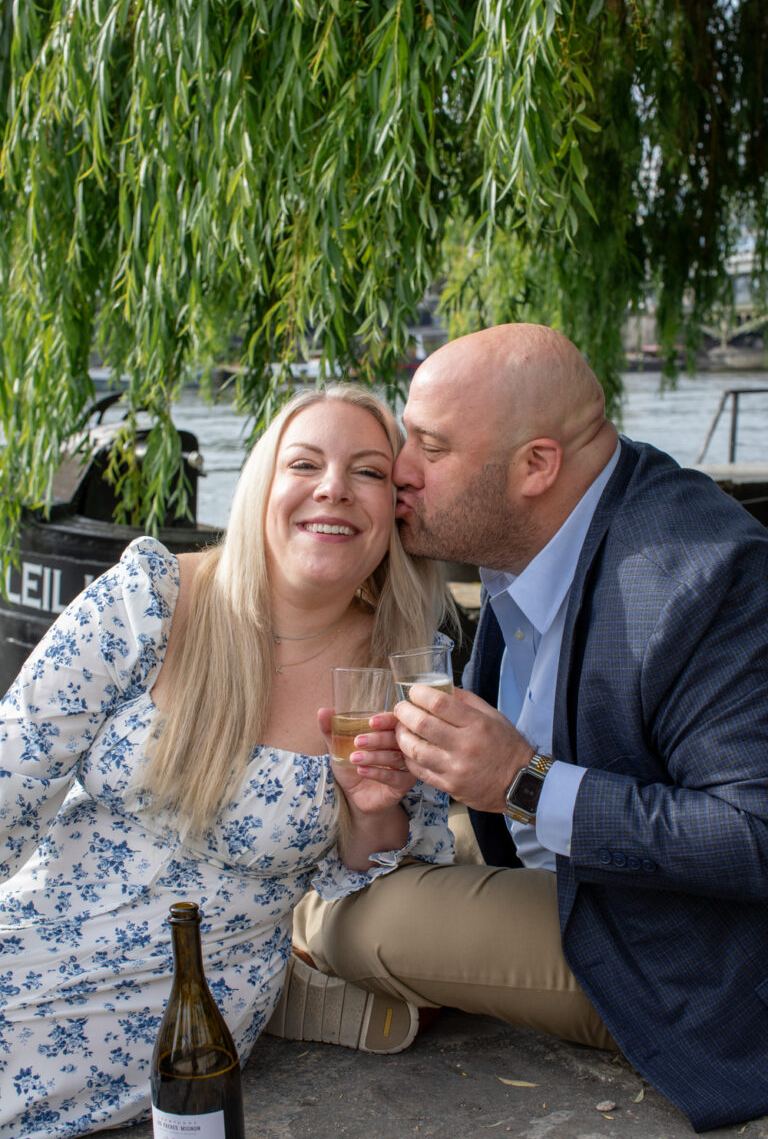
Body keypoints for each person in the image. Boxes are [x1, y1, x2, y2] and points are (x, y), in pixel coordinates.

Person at [283, 324, 768, 1134]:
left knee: (357, 917)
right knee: (338, 844)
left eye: (429, 449)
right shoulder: (534, 529)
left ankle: (301, 975)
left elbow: (755, 835)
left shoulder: (702, 576)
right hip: (574, 869)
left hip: (694, 955)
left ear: (537, 465)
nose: (396, 471)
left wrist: (522, 781)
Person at [0, 383, 456, 1138]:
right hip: (35, 923)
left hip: (178, 1003)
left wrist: (373, 807)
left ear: (394, 509)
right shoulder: (151, 600)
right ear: (261, 487)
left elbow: (395, 881)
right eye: (304, 462)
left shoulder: (402, 666)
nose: (334, 487)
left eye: (369, 471)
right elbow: (15, 765)